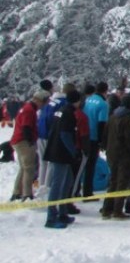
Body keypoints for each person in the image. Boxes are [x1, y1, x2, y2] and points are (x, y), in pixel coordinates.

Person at [42, 89, 82, 229]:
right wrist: (73, 151)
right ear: (77, 101)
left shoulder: (61, 110)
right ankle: (51, 217)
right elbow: (65, 134)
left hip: (56, 149)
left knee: (68, 181)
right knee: (57, 184)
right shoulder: (68, 113)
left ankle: (62, 212)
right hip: (60, 153)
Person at [101, 94, 130, 220]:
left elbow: (105, 134)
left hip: (111, 153)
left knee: (113, 180)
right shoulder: (129, 119)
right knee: (122, 182)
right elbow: (129, 138)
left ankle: (107, 208)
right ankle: (117, 210)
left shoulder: (112, 116)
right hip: (124, 154)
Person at [10, 90, 50, 201]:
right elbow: (26, 127)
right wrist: (31, 141)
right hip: (23, 141)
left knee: (23, 168)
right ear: (39, 101)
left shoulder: (27, 108)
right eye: (44, 103)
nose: (44, 105)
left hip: (18, 140)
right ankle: (27, 194)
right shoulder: (29, 110)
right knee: (29, 168)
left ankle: (17, 191)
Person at [82, 82, 109, 198]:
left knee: (83, 164)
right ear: (105, 91)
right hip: (94, 137)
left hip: (84, 135)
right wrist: (102, 141)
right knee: (91, 166)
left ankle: (78, 189)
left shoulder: (88, 100)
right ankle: (87, 192)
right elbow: (101, 123)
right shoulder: (103, 104)